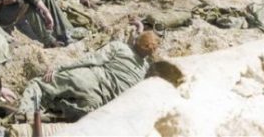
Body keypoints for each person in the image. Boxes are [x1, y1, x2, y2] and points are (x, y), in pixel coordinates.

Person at [17, 24, 160, 121]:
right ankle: (53, 111)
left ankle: (23, 113)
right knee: (65, 111)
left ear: (136, 41)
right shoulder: (145, 72)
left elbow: (91, 60)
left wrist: (59, 68)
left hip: (89, 79)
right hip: (98, 104)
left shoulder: (119, 47)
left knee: (39, 84)